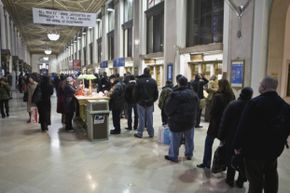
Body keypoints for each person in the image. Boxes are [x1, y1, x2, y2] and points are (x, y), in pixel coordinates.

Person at [234, 76, 290, 193]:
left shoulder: (254, 103)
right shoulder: (285, 106)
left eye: (260, 84)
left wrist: (237, 146)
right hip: (273, 150)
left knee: (255, 181)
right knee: (271, 176)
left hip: (254, 151)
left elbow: (243, 127)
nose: (259, 86)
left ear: (263, 87)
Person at [218, 87, 253, 188]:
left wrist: (221, 136)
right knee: (243, 159)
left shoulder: (233, 104)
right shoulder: (252, 106)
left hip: (231, 136)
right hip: (246, 137)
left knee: (230, 157)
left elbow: (224, 121)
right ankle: (241, 181)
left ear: (241, 93)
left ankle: (229, 179)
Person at [197, 79, 235, 169]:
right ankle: (223, 164)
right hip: (226, 124)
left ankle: (206, 163)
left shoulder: (218, 96)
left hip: (215, 124)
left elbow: (213, 112)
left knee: (208, 143)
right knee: (223, 145)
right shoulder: (232, 96)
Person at [164, 76, 199, 162]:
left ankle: (173, 155)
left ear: (178, 83)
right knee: (189, 139)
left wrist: (170, 115)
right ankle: (189, 154)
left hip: (177, 121)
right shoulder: (193, 94)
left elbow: (168, 108)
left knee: (175, 139)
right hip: (190, 120)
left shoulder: (175, 95)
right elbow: (197, 107)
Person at [134, 67, 159, 138]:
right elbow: (156, 93)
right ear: (149, 72)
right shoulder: (153, 81)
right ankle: (151, 133)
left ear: (144, 72)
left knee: (141, 118)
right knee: (150, 118)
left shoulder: (139, 81)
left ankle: (140, 133)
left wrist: (137, 100)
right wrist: (152, 100)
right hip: (150, 103)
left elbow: (135, 92)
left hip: (140, 102)